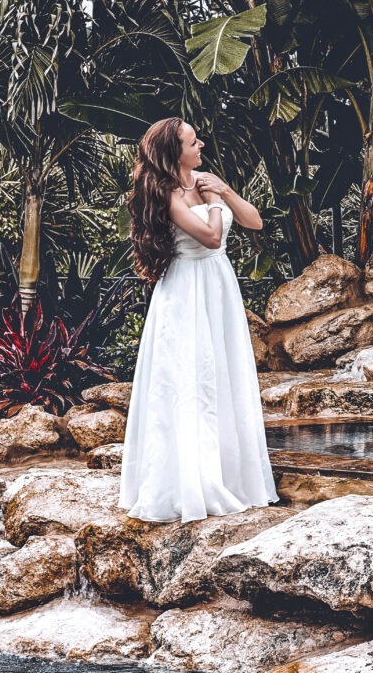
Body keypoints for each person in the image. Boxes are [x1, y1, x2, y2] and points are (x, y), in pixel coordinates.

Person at [121, 117, 277, 523]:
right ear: (176, 152)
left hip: (217, 287)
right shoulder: (165, 193)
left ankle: (227, 473)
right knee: (189, 381)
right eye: (193, 142)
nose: (201, 144)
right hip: (185, 291)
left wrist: (223, 190)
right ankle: (187, 481)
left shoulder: (205, 181)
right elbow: (209, 237)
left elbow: (254, 221)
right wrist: (213, 202)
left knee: (221, 374)